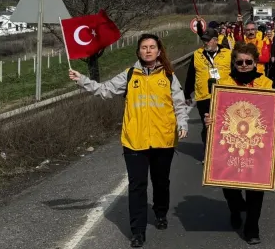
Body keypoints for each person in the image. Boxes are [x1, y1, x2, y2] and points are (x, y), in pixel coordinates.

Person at [68, 34, 189, 248]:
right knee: (137, 186)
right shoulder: (130, 75)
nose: (148, 51)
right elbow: (105, 91)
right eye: (144, 47)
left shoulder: (168, 76)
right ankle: (137, 232)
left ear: (159, 51)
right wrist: (82, 80)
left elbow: (179, 104)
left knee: (161, 182)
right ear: (138, 52)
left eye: (152, 47)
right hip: (135, 141)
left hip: (164, 139)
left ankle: (160, 213)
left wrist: (183, 124)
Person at [203, 42, 275, 245]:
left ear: (255, 63)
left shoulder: (266, 84)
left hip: (256, 143)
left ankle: (252, 228)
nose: (243, 65)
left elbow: (270, 113)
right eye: (239, 61)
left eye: (248, 61)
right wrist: (210, 120)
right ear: (234, 62)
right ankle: (234, 208)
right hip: (230, 142)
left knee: (255, 188)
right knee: (228, 185)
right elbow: (217, 112)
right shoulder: (222, 83)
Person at [184, 25, 232, 159]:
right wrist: (187, 93)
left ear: (215, 40)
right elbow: (191, 75)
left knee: (225, 125)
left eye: (208, 40)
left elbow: (235, 73)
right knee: (207, 126)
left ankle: (225, 153)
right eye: (204, 40)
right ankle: (208, 155)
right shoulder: (197, 54)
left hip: (224, 96)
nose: (205, 43)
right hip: (204, 96)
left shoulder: (227, 54)